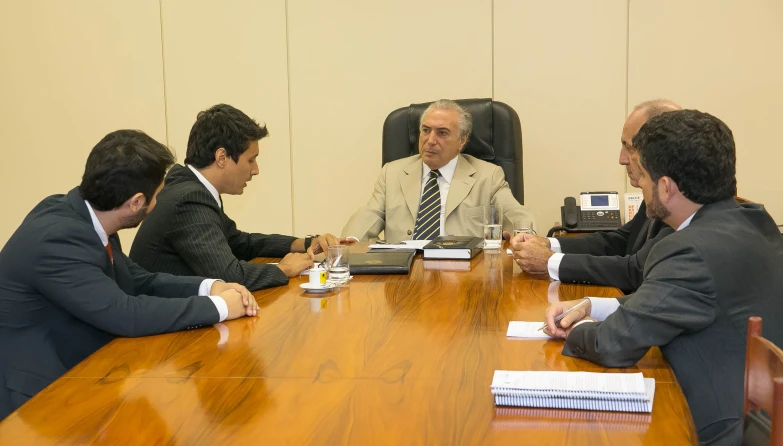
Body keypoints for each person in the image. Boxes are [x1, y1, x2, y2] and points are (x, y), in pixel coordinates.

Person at [542, 110, 783, 446]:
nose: (639, 184)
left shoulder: (688, 249)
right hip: (758, 427)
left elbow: (614, 344)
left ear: (667, 187)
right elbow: (676, 302)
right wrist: (592, 305)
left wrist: (577, 329)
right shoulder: (754, 221)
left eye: (645, 177)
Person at [0, 130, 259, 420]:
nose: (159, 204)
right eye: (158, 195)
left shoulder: (88, 217)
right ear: (136, 202)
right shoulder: (58, 239)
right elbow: (125, 314)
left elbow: (137, 281)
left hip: (83, 377)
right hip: (34, 402)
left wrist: (211, 287)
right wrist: (222, 308)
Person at [129, 104, 352, 291]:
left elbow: (239, 243)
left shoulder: (191, 185)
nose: (255, 170)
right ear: (222, 157)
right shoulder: (189, 198)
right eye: (251, 160)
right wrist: (283, 269)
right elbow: (228, 275)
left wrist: (304, 244)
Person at [510, 100, 681, 293]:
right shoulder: (656, 186)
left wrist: (551, 262)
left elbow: (637, 270)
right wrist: (549, 244)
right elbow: (623, 240)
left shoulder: (680, 198)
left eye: (630, 148)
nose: (622, 159)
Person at [341, 99, 536, 242]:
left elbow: (516, 214)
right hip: (402, 277)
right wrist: (350, 242)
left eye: (442, 133)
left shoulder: (488, 176)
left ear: (462, 141)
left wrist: (525, 235)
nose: (430, 140)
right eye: (426, 130)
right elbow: (370, 215)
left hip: (464, 278)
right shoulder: (392, 173)